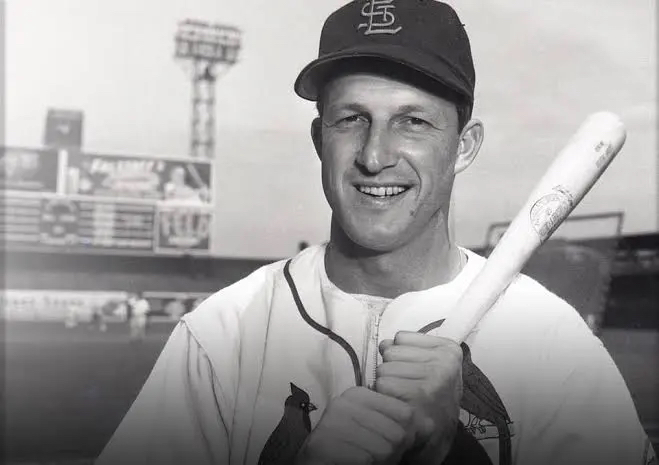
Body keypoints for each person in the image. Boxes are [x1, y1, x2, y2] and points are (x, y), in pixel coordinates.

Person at [97, 2, 655, 465]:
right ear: (319, 139)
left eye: (413, 121)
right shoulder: (224, 334)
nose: (374, 155)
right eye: (351, 119)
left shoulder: (550, 341)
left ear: (464, 147)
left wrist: (452, 454)